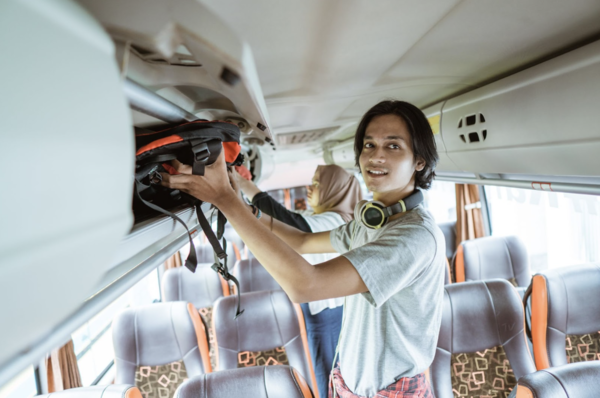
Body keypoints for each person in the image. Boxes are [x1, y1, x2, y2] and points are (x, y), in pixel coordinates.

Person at [161, 100, 446, 398]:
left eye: (393, 146)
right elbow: (302, 241)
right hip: (350, 386)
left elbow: (305, 285)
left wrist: (225, 200)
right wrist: (241, 202)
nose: (376, 156)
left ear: (420, 161)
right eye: (369, 145)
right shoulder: (373, 220)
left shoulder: (414, 237)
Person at [232, 164, 362, 398]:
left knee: (328, 379)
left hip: (327, 315)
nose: (309, 189)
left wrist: (245, 188)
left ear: (335, 190)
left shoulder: (336, 220)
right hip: (330, 311)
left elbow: (292, 226)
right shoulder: (325, 218)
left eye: (317, 184)